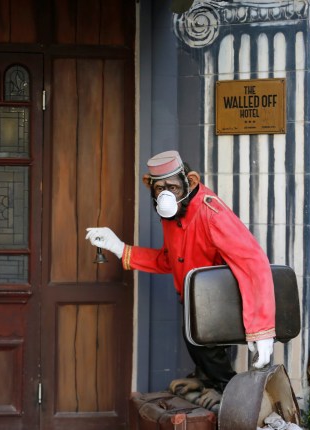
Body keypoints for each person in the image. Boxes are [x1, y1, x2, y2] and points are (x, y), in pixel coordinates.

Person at [85, 150, 275, 407]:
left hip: (218, 302)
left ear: (192, 181)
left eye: (172, 187)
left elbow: (252, 262)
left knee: (210, 348)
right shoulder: (172, 213)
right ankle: (205, 379)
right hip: (193, 300)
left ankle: (225, 388)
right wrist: (119, 247)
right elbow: (170, 260)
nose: (165, 194)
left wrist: (261, 331)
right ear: (149, 186)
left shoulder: (210, 212)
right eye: (159, 188)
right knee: (195, 343)